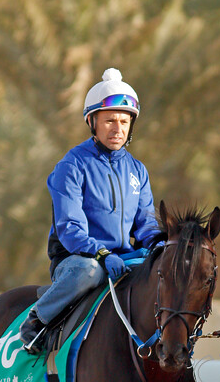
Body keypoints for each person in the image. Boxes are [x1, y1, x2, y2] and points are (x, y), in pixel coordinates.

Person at [20, 68, 159, 352]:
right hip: (78, 260)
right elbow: (70, 228)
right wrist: (102, 253)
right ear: (92, 122)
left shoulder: (137, 170)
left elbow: (146, 222)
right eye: (109, 121)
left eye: (124, 121)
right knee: (89, 272)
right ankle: (37, 322)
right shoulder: (72, 166)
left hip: (123, 258)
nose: (117, 129)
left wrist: (159, 245)